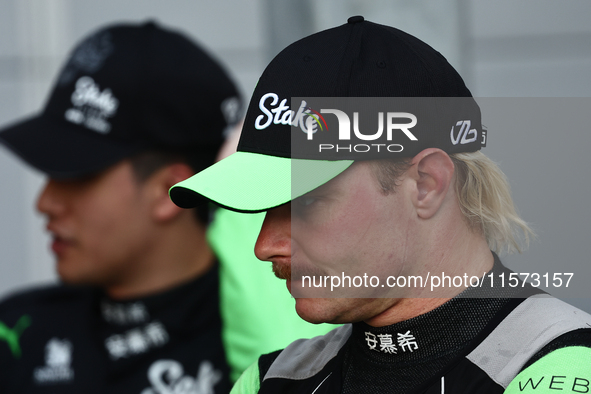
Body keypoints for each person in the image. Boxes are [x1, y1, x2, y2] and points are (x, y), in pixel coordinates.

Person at [170, 16, 591, 393]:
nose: (265, 245)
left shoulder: (562, 369)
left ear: (427, 184)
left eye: (309, 202)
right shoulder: (271, 379)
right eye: (267, 206)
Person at [0, 21, 333, 393]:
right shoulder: (15, 331)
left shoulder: (292, 335)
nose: (44, 203)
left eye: (78, 175)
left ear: (168, 191)